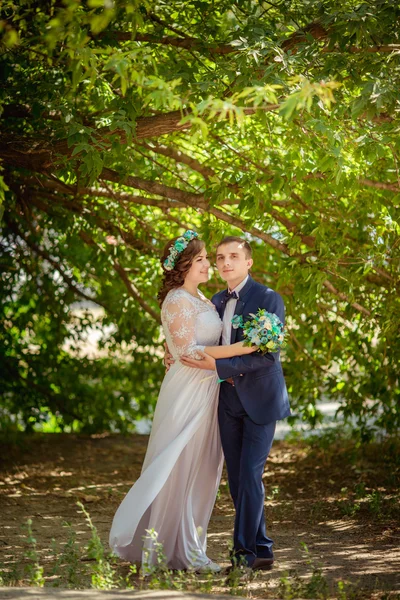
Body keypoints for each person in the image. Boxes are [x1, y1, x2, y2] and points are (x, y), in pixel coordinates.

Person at [109, 231, 256, 574]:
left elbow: (186, 343)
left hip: (210, 390)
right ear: (185, 265)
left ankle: (190, 547)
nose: (211, 264)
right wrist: (240, 349)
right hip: (187, 392)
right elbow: (187, 352)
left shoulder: (204, 299)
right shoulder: (176, 299)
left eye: (208, 258)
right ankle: (165, 548)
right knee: (178, 465)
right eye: (203, 259)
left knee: (203, 470)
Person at [178, 236, 291, 570]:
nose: (225, 263)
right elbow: (200, 339)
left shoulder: (268, 299)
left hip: (260, 399)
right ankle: (264, 547)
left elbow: (267, 356)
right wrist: (173, 350)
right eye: (220, 257)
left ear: (248, 263)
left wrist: (219, 367)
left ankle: (244, 555)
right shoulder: (213, 300)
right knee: (236, 479)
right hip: (226, 400)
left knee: (251, 475)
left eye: (233, 257)